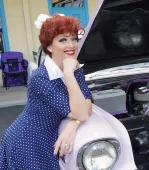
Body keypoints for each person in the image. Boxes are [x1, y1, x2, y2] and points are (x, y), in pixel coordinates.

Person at [0, 15, 92, 169]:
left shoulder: (76, 69)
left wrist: (73, 125)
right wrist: (68, 74)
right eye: (63, 40)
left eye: (74, 39)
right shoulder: (40, 77)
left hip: (50, 136)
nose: (71, 45)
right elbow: (81, 113)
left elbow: (87, 103)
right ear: (49, 46)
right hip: (28, 140)